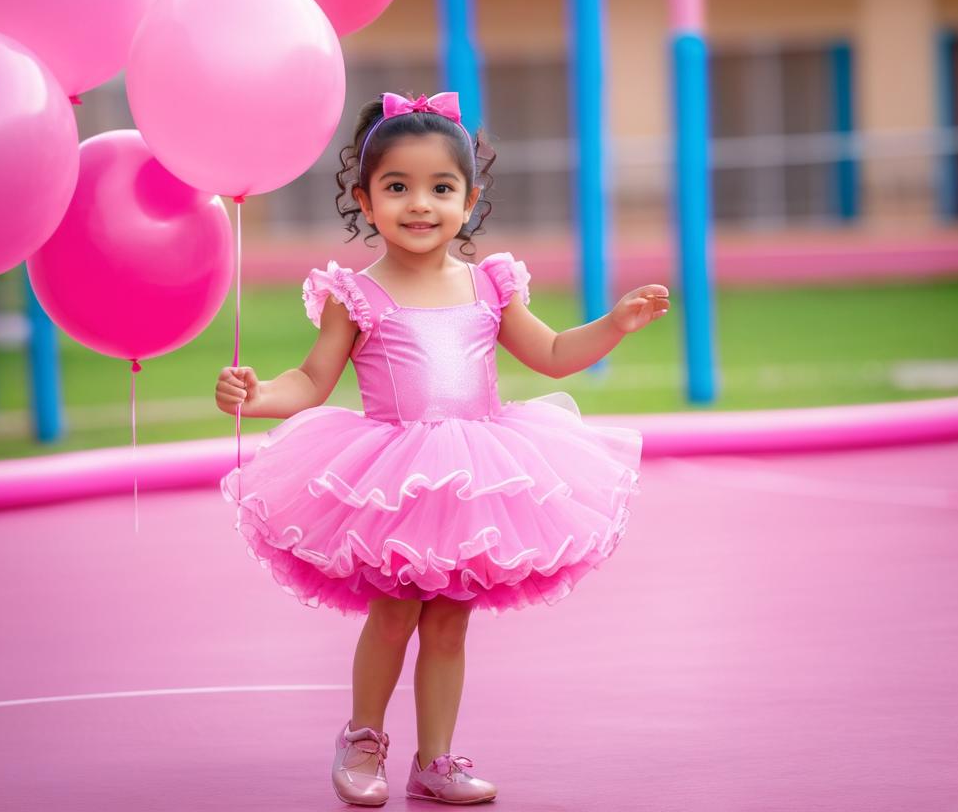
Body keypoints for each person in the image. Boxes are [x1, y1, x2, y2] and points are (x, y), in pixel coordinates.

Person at [216, 91, 669, 806]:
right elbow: (310, 379)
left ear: (470, 199)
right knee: (394, 611)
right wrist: (258, 394)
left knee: (451, 621)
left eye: (440, 187)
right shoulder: (356, 296)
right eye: (397, 187)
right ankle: (363, 737)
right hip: (393, 479)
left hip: (475, 476)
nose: (420, 204)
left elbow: (549, 353)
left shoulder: (490, 284)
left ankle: (437, 759)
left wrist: (613, 323)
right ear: (365, 201)